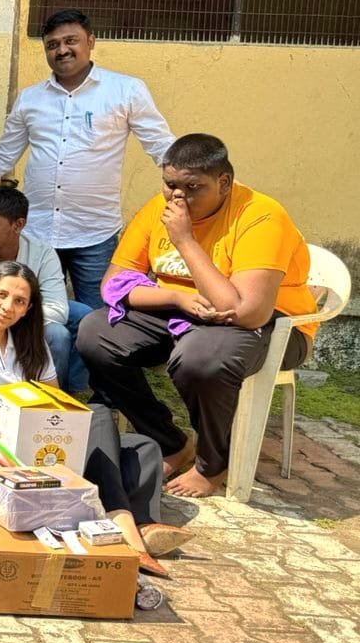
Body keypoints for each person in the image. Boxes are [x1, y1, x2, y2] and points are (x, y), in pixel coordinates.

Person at [79, 134, 316, 499]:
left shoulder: (261, 216)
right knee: (95, 333)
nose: (178, 197)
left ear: (224, 183)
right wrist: (176, 295)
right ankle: (170, 442)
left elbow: (245, 311)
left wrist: (185, 240)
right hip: (186, 309)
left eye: (193, 188)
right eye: (170, 184)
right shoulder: (157, 209)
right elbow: (113, 283)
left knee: (200, 359)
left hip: (274, 324)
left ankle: (212, 463)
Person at [0, 263, 190, 576]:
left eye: (19, 301)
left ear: (28, 309)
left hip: (47, 443)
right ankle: (127, 527)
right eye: (1, 295)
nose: (7, 307)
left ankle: (139, 523)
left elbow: (57, 403)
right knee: (99, 415)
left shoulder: (31, 344)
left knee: (143, 447)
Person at [0, 9, 174, 311]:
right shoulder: (30, 99)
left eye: (71, 41)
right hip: (37, 233)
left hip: (94, 233)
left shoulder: (125, 90)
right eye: (52, 45)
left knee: (97, 318)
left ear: (90, 41)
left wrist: (188, 186)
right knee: (27, 315)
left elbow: (160, 145)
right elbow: (3, 156)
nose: (62, 50)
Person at [0, 187, 91, 393]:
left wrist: (10, 312)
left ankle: (65, 395)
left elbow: (58, 310)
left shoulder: (43, 253)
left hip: (24, 317)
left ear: (18, 225)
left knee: (76, 321)